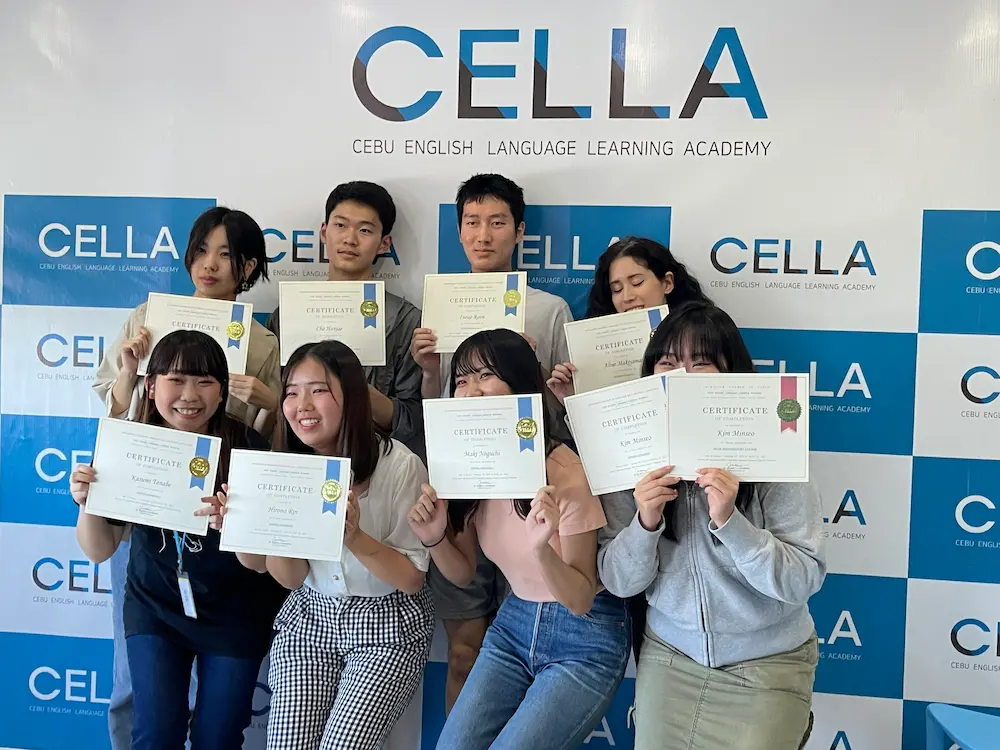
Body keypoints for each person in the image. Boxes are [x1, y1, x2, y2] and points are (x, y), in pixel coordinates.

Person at [597, 301, 826, 750]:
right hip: (671, 656)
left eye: (700, 363)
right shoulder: (631, 454)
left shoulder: (774, 448)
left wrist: (730, 521)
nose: (681, 376)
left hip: (768, 661)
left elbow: (803, 578)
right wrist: (645, 523)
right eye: (667, 363)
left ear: (731, 373)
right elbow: (618, 581)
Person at [92, 206, 280, 750]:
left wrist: (268, 402)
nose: (209, 265)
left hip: (219, 521)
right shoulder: (147, 318)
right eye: (201, 251)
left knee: (219, 719)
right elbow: (115, 410)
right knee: (140, 686)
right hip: (146, 507)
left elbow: (264, 440)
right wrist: (130, 373)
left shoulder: (262, 342)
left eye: (225, 254)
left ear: (248, 267)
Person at [409, 329, 628, 749]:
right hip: (514, 624)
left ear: (521, 386)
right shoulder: (469, 468)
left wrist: (542, 548)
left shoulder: (564, 473)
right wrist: (435, 538)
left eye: (486, 376)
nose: (471, 391)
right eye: (461, 380)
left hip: (584, 638)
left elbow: (581, 598)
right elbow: (463, 572)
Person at [72, 331, 287, 750]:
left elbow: (261, 564)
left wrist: (235, 527)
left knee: (217, 738)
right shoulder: (128, 445)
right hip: (156, 608)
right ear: (151, 386)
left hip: (235, 614)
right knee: (155, 734)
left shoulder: (248, 448)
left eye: (205, 382)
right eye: (176, 380)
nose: (190, 396)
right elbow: (99, 549)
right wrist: (87, 502)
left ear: (222, 391)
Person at [410, 173, 574, 711]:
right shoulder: (436, 306)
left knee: (530, 654)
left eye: (497, 222)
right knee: (466, 653)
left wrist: (530, 370)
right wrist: (430, 372)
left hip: (526, 498)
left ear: (519, 231)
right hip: (464, 488)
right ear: (459, 231)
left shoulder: (549, 309)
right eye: (472, 222)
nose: (484, 235)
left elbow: (563, 415)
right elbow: (436, 409)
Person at [248, 340, 433, 750]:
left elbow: (410, 580)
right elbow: (291, 578)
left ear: (351, 396)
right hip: (311, 618)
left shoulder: (400, 465)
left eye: (318, 390)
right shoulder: (285, 467)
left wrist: (353, 537)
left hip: (387, 624)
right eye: (291, 392)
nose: (302, 406)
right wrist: (268, 528)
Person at [546, 234, 710, 664]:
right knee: (646, 623)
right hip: (634, 507)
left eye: (637, 282)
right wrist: (572, 404)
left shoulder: (708, 335)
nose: (627, 296)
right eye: (616, 289)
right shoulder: (597, 354)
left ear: (667, 282)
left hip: (704, 504)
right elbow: (600, 451)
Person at [265, 181, 425, 459]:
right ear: (324, 232)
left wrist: (356, 391)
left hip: (370, 462)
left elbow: (411, 420)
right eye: (340, 225)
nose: (350, 239)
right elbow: (274, 398)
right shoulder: (289, 311)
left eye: (365, 230)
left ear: (384, 243)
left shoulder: (405, 320)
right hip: (298, 459)